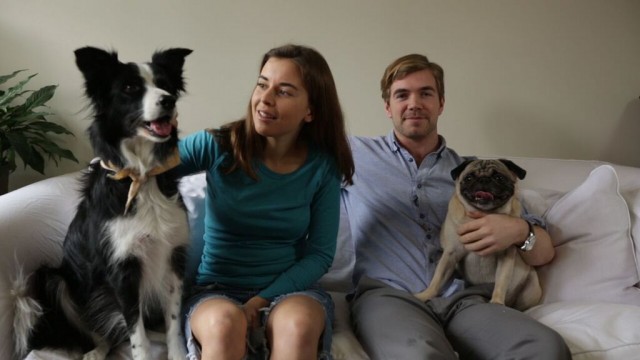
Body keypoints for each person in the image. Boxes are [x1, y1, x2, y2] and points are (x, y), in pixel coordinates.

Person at [341, 54, 572, 359]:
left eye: (425, 93)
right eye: (402, 95)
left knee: (546, 347)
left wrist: (519, 230)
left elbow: (544, 252)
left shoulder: (475, 173)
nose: (414, 103)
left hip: (466, 299)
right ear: (388, 107)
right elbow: (286, 163)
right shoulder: (352, 155)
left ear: (441, 103)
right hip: (390, 296)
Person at [178, 44, 354, 360]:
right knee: (223, 323)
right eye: (262, 84)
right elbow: (148, 165)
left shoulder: (323, 167)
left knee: (298, 325)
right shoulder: (219, 144)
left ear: (310, 110)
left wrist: (259, 302)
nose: (265, 98)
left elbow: (320, 254)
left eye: (284, 92)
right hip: (216, 290)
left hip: (291, 293)